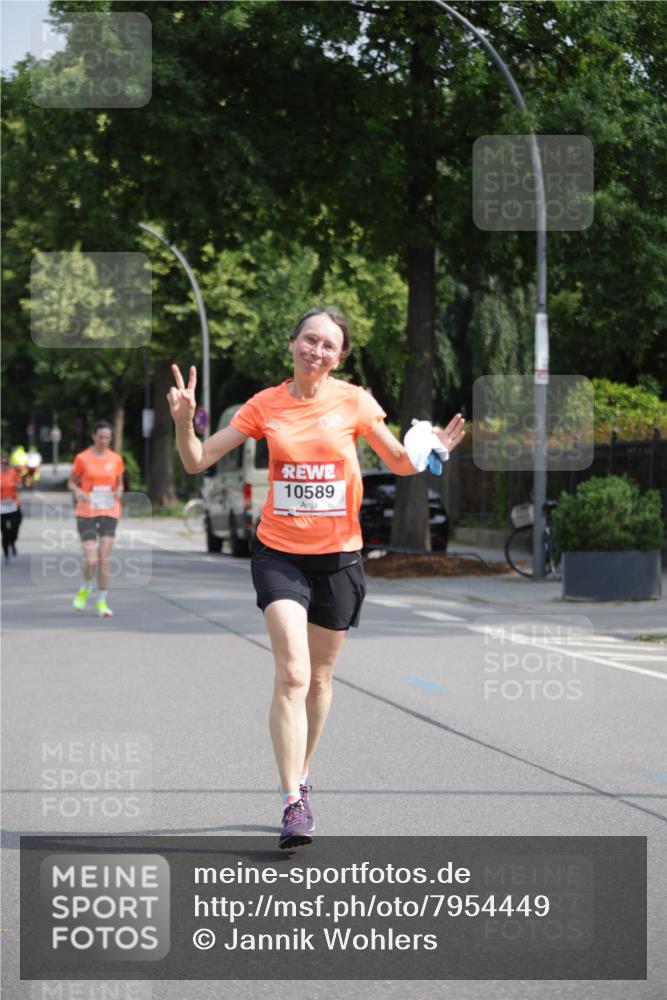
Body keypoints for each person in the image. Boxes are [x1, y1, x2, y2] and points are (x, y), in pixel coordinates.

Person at [168, 307, 465, 848]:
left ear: (340, 357)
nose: (317, 351)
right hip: (280, 553)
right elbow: (196, 462)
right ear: (293, 343)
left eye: (329, 345)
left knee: (322, 680)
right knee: (293, 674)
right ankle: (291, 802)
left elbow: (399, 462)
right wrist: (184, 421)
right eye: (310, 340)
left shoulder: (353, 401)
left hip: (340, 559)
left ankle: (301, 776)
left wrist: (432, 449)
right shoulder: (265, 404)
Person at [67, 421, 124, 618]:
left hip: (109, 510)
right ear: (93, 436)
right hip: (86, 511)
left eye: (107, 438)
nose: (104, 441)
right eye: (101, 437)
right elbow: (71, 483)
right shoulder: (82, 458)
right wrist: (78, 492)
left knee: (104, 558)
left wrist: (119, 491)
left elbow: (120, 483)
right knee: (91, 560)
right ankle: (84, 589)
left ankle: (102, 601)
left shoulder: (116, 459)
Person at [1, 451, 23, 563]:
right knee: (4, 532)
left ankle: (12, 541)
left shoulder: (13, 473)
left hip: (13, 505)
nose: (3, 465)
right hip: (1, 508)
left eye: (5, 463)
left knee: (14, 529)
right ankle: (6, 554)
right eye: (1, 463)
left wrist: (18, 483)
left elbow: (20, 486)